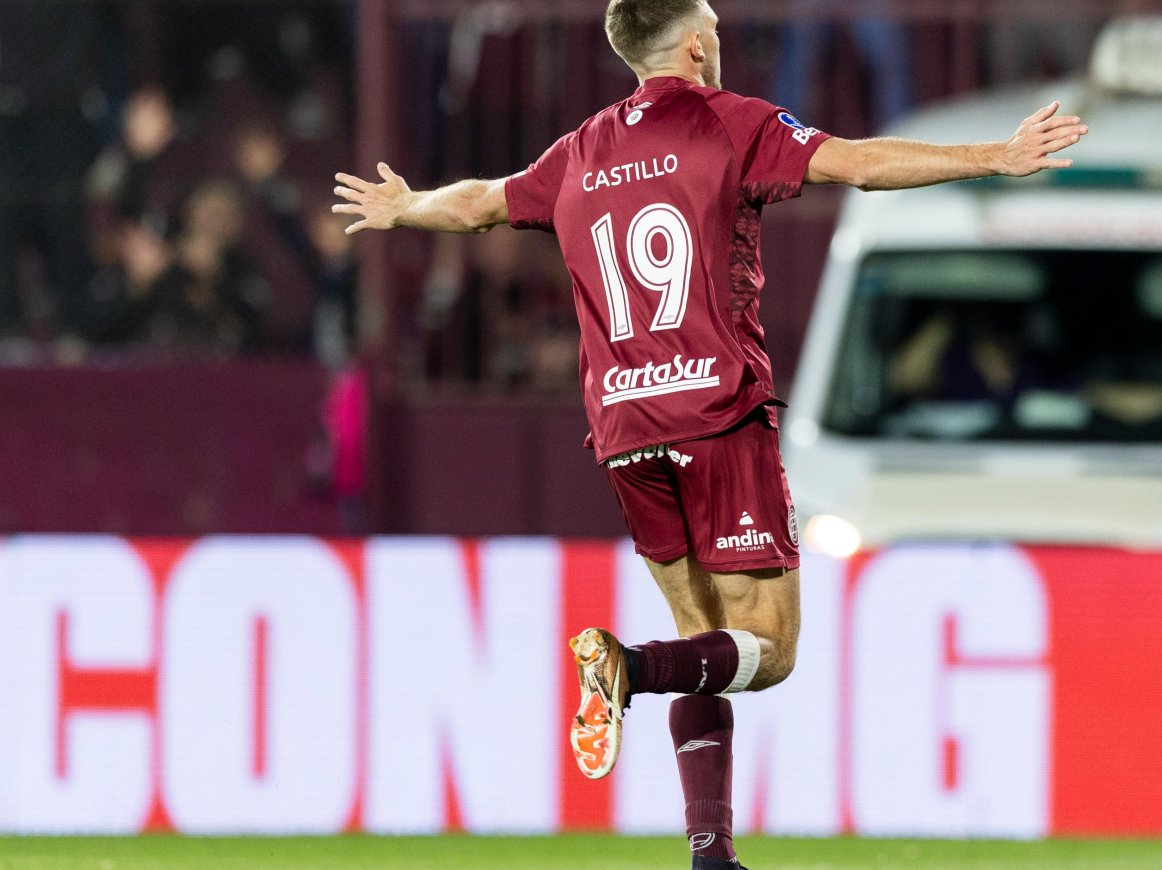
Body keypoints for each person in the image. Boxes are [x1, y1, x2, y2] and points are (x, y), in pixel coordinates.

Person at [333, 2, 1086, 865]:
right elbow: (860, 165)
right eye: (715, 29)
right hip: (717, 416)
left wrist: (407, 206)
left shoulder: (579, 150)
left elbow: (478, 206)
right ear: (695, 44)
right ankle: (628, 667)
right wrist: (994, 156)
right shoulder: (730, 124)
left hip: (624, 428)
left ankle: (710, 851)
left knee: (707, 645)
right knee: (770, 651)